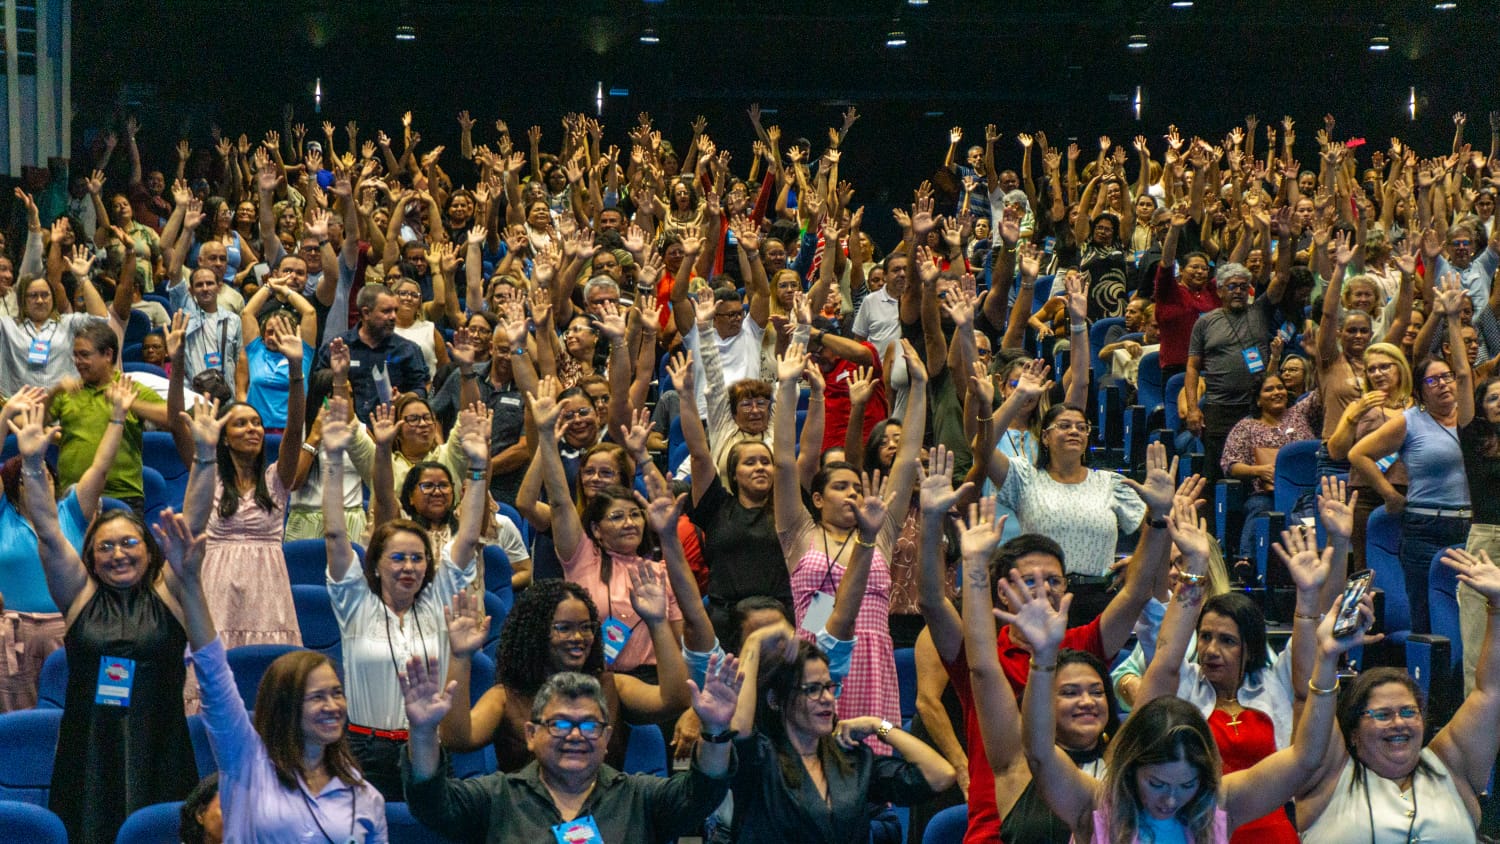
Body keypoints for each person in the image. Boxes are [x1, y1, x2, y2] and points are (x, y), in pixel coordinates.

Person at [1014, 498, 1368, 843]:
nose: (1171, 800)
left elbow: (1305, 757)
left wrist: (1326, 661)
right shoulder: (1097, 808)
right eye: (1157, 784)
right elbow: (1040, 753)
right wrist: (1043, 659)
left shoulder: (1216, 808)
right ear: (1132, 766)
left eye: (1187, 785)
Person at [1134, 479, 1356, 844]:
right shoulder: (1186, 684)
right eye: (1204, 637)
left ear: (1248, 648)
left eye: (1226, 640)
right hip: (1200, 829)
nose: (1210, 649)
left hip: (1273, 830)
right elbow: (1167, 654)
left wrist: (1337, 545)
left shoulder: (1272, 683)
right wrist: (1194, 564)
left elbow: (1320, 631)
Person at [12, 403, 196, 843]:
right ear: (91, 557)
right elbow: (49, 530)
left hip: (162, 745)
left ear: (150, 550)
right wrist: (35, 466)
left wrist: (205, 458)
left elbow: (197, 516)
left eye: (129, 542)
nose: (118, 554)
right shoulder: (77, 595)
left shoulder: (170, 591)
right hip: (89, 750)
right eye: (106, 547)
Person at [167, 509, 388, 841]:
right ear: (284, 707)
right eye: (317, 696)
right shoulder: (246, 763)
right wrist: (191, 586)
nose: (332, 705)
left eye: (336, 693)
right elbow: (213, 673)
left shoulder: (365, 795)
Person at [320, 395, 486, 799]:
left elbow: (466, 538)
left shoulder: (436, 602)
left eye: (417, 559)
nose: (409, 566)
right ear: (375, 564)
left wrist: (479, 468)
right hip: (361, 749)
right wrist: (334, 459)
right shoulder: (355, 601)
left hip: (426, 745)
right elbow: (336, 536)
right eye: (398, 558)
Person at [772, 337, 927, 749]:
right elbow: (785, 462)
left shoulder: (878, 533)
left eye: (857, 487)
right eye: (840, 487)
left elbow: (908, 457)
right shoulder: (799, 533)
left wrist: (920, 388)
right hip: (812, 665)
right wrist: (788, 389)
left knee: (873, 772)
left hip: (873, 664)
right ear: (818, 499)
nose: (852, 494)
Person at [401, 657, 738, 841]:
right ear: (531, 735)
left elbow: (703, 792)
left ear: (606, 739)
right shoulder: (496, 797)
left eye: (590, 726)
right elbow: (431, 803)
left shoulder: (640, 797)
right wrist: (422, 732)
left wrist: (716, 730)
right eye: (560, 724)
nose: (575, 735)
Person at [1295, 546, 1500, 842]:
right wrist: (1326, 657)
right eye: (1382, 714)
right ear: (1353, 732)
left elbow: (1490, 692)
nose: (1399, 722)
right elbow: (1306, 696)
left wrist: (1497, 606)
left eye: (1408, 711)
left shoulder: (1451, 766)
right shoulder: (1327, 778)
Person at [956, 495, 1118, 843]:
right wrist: (974, 565)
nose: (1086, 702)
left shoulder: (1122, 765)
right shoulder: (1017, 760)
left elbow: (1163, 667)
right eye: (1069, 693)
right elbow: (982, 665)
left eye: (1096, 691)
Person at [723, 623, 955, 842]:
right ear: (775, 700)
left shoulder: (854, 759)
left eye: (829, 687)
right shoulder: (760, 759)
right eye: (812, 689)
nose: (826, 699)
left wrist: (878, 725)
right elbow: (738, 728)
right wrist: (754, 642)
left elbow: (940, 774)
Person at [528, 376, 686, 676]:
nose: (628, 523)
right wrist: (547, 436)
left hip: (653, 680)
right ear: (596, 529)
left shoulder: (659, 571)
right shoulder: (582, 554)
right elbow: (561, 501)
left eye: (634, 515)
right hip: (592, 679)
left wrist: (643, 458)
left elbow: (680, 646)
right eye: (616, 517)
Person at [170, 314, 307, 659]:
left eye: (257, 424)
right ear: (224, 438)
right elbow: (175, 423)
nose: (253, 429)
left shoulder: (278, 478)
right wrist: (176, 361)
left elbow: (293, 430)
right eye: (241, 424)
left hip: (268, 592)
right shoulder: (207, 473)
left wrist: (295, 371)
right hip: (216, 587)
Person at [1350, 275, 1474, 633]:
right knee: (1425, 616)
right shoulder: (1410, 421)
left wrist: (1453, 319)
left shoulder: (1469, 418)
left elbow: (1466, 373)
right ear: (1419, 392)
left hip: (1468, 526)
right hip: (1423, 526)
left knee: (1467, 616)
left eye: (1446, 377)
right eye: (1433, 381)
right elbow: (1359, 454)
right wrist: (1389, 494)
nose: (1444, 384)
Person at [0, 383, 134, 710]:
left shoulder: (72, 510)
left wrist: (117, 419)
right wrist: (4, 418)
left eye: (45, 473)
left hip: (71, 628)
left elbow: (101, 467)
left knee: (79, 716)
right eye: (27, 476)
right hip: (12, 637)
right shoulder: (4, 513)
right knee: (21, 729)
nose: (38, 478)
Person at [984, 356, 1146, 623]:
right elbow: (984, 447)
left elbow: (1153, 528)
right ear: (1045, 437)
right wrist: (1018, 397)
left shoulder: (1110, 483)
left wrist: (1138, 561)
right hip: (1039, 598)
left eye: (1082, 427)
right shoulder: (1026, 477)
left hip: (1100, 598)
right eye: (1064, 425)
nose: (1074, 431)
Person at [48, 320, 172, 515]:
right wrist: (54, 392)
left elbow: (171, 418)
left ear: (108, 355)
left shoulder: (128, 388)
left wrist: (130, 404)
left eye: (85, 355)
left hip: (123, 496)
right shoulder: (68, 391)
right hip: (72, 497)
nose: (78, 362)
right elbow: (35, 424)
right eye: (76, 355)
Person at [1184, 262, 1276, 486]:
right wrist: (1193, 408)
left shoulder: (1259, 312)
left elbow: (1281, 277)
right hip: (1219, 407)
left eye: (1243, 287)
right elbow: (1193, 367)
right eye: (1232, 286)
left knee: (1256, 469)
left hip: (1256, 407)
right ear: (1220, 291)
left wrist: (1283, 237)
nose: (1238, 291)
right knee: (1217, 473)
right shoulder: (1205, 322)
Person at [1325, 343, 1414, 571]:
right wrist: (1353, 418)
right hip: (1364, 495)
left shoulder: (1418, 406)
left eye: (1384, 367)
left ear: (1400, 369)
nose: (1377, 373)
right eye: (1371, 369)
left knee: (1408, 565)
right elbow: (1335, 452)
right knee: (1366, 568)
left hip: (1410, 493)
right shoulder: (1358, 406)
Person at [1218, 373, 1316, 559]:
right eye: (1269, 389)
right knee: (1260, 508)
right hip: (1266, 493)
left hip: (1307, 492)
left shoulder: (1301, 414)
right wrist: (1258, 471)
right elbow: (1230, 464)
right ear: (1258, 400)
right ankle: (1247, 560)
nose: (1277, 392)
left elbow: (1321, 392)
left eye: (1280, 387)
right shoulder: (1246, 427)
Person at [1457, 375, 1500, 694]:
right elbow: (1461, 372)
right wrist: (1454, 323)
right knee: (1476, 641)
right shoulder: (1474, 440)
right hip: (1487, 541)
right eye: (1493, 398)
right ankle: (1477, 735)